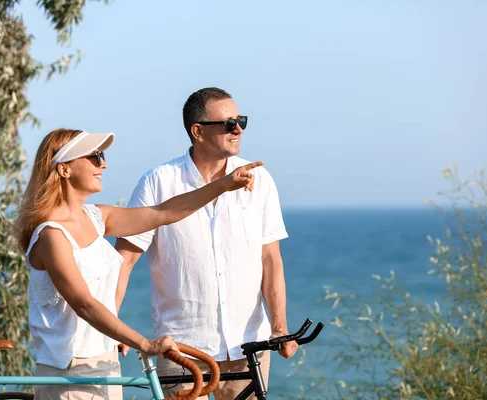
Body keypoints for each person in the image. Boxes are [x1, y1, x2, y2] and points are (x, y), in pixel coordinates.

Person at [17, 127, 261, 400]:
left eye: (102, 156)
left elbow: (163, 212)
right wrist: (144, 342)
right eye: (94, 157)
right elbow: (84, 304)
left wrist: (223, 185)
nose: (104, 164)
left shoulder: (96, 217)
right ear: (64, 170)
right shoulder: (52, 235)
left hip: (105, 363)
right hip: (68, 369)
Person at [115, 87, 298, 399]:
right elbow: (124, 260)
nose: (238, 129)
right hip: (182, 351)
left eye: (240, 120)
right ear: (197, 131)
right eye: (228, 123)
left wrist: (279, 328)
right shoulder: (158, 182)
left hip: (249, 346)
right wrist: (110, 327)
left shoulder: (261, 180)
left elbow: (270, 259)